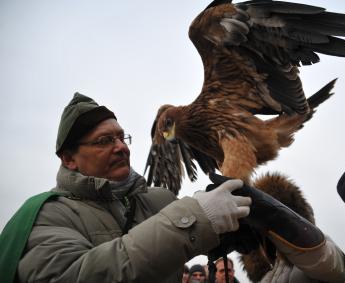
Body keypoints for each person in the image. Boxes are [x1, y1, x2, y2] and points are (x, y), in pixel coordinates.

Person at [0, 93, 252, 283]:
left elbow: (204, 232)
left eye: (122, 137)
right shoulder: (47, 216)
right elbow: (73, 276)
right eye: (105, 140)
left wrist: (235, 223)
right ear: (69, 159)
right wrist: (195, 218)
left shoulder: (159, 200)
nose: (121, 147)